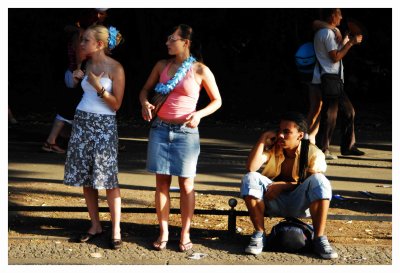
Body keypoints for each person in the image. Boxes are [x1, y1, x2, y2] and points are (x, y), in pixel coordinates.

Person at [139, 24, 222, 252]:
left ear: (186, 42)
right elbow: (144, 90)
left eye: (172, 39)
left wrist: (199, 114)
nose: (167, 42)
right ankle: (164, 231)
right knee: (161, 183)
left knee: (186, 184)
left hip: (186, 131)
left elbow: (217, 101)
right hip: (160, 129)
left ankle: (185, 232)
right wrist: (145, 103)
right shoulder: (161, 65)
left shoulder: (199, 70)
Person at [240, 112, 338, 259]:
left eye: (287, 132)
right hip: (273, 201)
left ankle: (319, 239)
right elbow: (251, 167)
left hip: (301, 204)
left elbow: (311, 182)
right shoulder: (274, 148)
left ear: (300, 135)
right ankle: (259, 235)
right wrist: (263, 138)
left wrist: (284, 185)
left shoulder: (313, 152)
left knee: (320, 180)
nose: (280, 135)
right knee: (250, 178)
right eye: (279, 131)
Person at [63, 24, 125, 250]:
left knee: (108, 177)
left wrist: (99, 87)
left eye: (85, 40)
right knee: (87, 177)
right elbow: (73, 85)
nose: (81, 44)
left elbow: (116, 104)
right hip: (82, 120)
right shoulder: (86, 63)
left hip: (104, 124)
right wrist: (77, 77)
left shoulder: (116, 68)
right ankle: (95, 225)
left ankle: (116, 229)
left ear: (99, 44)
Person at [312, 8, 364, 160]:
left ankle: (347, 147)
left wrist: (347, 40)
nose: (341, 17)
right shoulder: (327, 33)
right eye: (339, 14)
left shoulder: (329, 32)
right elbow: (335, 57)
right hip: (329, 77)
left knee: (347, 112)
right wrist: (351, 44)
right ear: (332, 15)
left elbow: (337, 52)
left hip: (333, 78)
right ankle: (323, 149)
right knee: (331, 114)